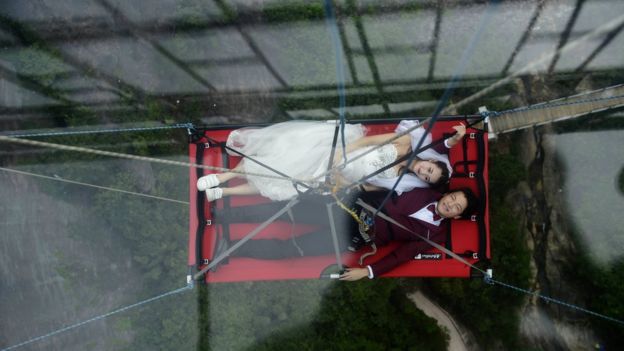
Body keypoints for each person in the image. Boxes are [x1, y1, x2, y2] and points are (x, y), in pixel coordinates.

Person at [216, 186, 478, 281]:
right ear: (448, 193)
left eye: (457, 207)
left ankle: (231, 248)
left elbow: (402, 255)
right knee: (286, 210)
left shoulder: (437, 236)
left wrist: (369, 271)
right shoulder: (425, 188)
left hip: (356, 237)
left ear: (457, 216)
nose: (451, 203)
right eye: (453, 197)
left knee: (291, 249)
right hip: (347, 207)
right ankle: (226, 216)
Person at [197, 120, 466, 201]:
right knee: (283, 159)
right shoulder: (405, 143)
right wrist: (340, 155)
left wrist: (341, 179)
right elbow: (367, 142)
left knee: (285, 185)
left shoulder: (401, 181)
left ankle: (224, 191)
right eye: (429, 168)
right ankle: (224, 175)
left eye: (426, 177)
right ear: (431, 160)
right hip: (341, 150)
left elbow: (367, 186)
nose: (423, 172)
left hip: (338, 175)